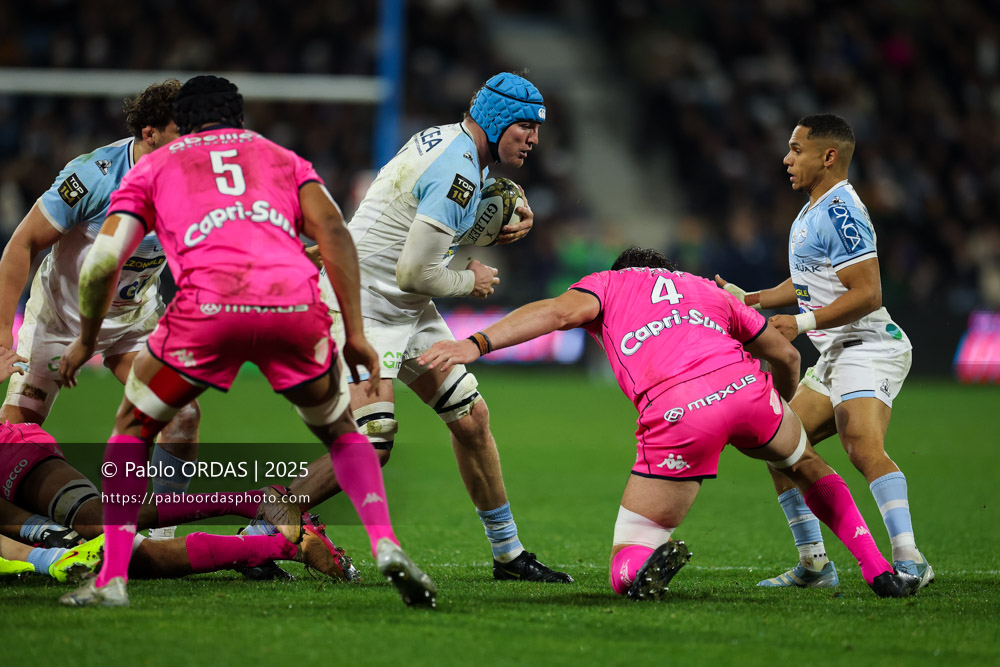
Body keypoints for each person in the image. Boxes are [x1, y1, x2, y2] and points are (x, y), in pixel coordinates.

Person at [56, 75, 436, 609]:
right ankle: (386, 543)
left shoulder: (155, 167)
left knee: (132, 428)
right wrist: (354, 333)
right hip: (292, 307)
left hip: (207, 310)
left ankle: (112, 577)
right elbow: (335, 233)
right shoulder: (281, 158)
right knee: (343, 433)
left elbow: (101, 263)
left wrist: (86, 340)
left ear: (185, 123)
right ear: (238, 117)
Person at [418, 247, 920, 599]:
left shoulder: (608, 284)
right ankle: (877, 567)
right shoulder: (703, 288)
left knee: (627, 557)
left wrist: (477, 344)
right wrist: (778, 407)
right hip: (747, 391)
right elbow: (787, 355)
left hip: (679, 411)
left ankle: (641, 567)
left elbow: (554, 314)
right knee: (805, 463)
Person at [311, 71, 570, 583]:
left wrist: (484, 220)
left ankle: (509, 555)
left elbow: (412, 233)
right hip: (360, 305)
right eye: (525, 126)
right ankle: (267, 521)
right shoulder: (459, 172)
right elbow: (414, 272)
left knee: (471, 418)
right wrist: (471, 280)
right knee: (373, 442)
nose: (534, 139)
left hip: (401, 305)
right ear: (496, 121)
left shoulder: (450, 144)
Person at [715, 114, 932, 589]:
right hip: (834, 351)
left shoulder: (841, 211)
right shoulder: (813, 209)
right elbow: (808, 281)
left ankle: (909, 558)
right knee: (779, 444)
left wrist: (802, 322)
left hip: (868, 345)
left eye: (796, 149)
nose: (786, 159)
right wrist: (751, 298)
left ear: (828, 156)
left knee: (861, 445)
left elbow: (868, 293)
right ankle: (814, 563)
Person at [0, 79, 200, 541]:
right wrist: (1, 333)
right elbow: (22, 243)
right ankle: (25, 539)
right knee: (17, 435)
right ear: (150, 133)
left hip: (133, 321)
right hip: (59, 321)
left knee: (182, 414)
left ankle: (162, 542)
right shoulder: (94, 176)